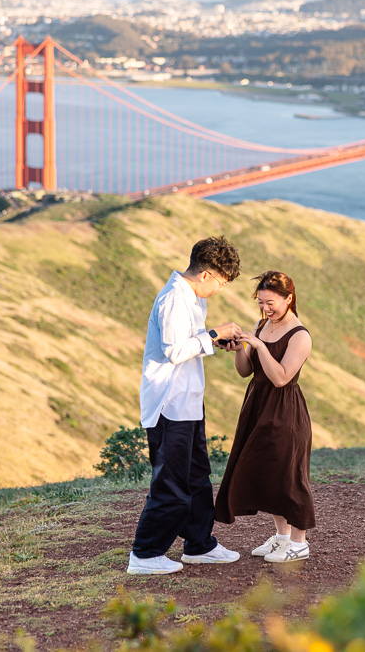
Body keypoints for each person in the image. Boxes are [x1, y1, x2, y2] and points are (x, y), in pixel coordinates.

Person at [127, 236, 244, 575]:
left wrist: (215, 340)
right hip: (168, 404)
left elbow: (190, 346)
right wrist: (211, 335)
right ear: (205, 274)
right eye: (220, 283)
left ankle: (199, 545)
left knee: (196, 477)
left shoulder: (193, 298)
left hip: (188, 401)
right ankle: (145, 554)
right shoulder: (174, 299)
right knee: (171, 483)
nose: (219, 290)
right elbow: (174, 351)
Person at [214, 270, 316, 563]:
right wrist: (239, 350)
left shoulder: (300, 335)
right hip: (257, 405)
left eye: (271, 302)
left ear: (289, 299)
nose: (265, 308)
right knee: (268, 472)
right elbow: (247, 371)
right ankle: (281, 538)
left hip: (285, 410)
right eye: (261, 302)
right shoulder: (261, 325)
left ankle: (299, 542)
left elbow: (281, 377)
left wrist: (258, 345)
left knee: (289, 475)